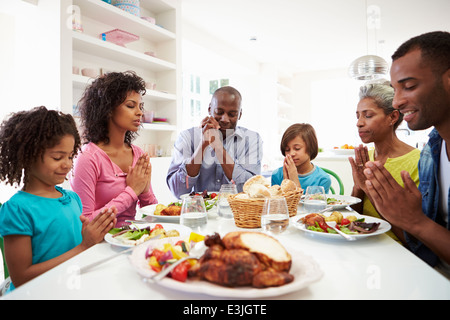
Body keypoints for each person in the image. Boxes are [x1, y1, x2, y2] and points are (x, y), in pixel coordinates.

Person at [362, 31, 450, 277]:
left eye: (409, 86)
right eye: (395, 89)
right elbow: (423, 248)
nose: (398, 102)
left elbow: (416, 228)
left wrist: (414, 221)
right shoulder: (432, 153)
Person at [0, 106, 117, 292]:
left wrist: (94, 238)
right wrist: (83, 246)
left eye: (70, 156)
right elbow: (21, 278)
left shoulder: (72, 199)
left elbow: (75, 251)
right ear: (27, 156)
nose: (67, 164)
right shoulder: (17, 209)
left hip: (68, 289)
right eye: (57, 157)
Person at [70, 71, 157, 227]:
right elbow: (85, 223)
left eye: (140, 106)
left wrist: (145, 192)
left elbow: (153, 216)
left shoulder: (138, 154)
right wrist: (131, 192)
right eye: (131, 105)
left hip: (132, 238)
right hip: (99, 245)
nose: (140, 112)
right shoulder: (88, 158)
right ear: (108, 109)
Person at [348, 81, 420, 243]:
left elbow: (413, 240)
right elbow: (353, 217)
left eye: (368, 115)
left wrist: (370, 189)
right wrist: (358, 188)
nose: (359, 123)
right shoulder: (366, 158)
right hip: (361, 244)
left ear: (393, 117)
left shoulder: (417, 162)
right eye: (358, 115)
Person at [167, 86, 263, 198]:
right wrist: (203, 145)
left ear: (240, 115)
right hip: (198, 212)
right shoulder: (187, 137)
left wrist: (218, 147)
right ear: (209, 109)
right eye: (219, 112)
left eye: (232, 114)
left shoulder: (252, 139)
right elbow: (177, 191)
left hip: (236, 213)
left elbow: (251, 190)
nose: (225, 119)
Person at [271, 123, 331, 192]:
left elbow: (313, 202)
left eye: (297, 148)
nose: (291, 153)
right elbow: (276, 202)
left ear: (311, 148)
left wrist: (294, 181)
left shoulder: (323, 179)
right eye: (287, 149)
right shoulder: (277, 175)